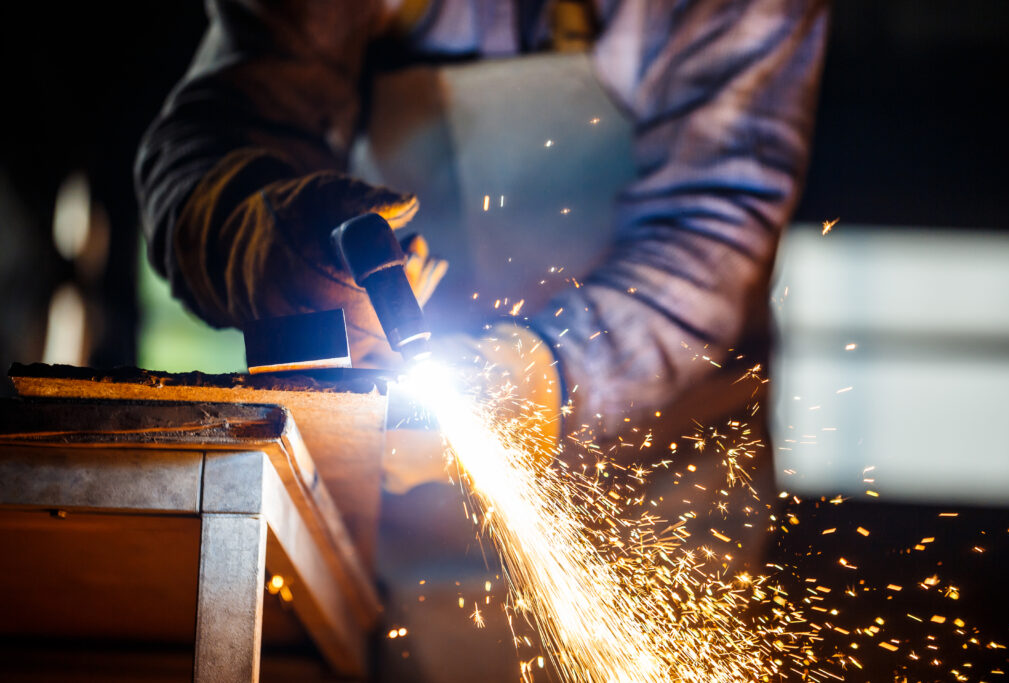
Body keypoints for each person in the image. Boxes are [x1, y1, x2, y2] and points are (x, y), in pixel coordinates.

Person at [136, 1, 828, 679]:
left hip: (661, 508)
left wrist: (535, 379)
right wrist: (275, 247)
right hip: (403, 526)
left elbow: (714, 217)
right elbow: (213, 141)